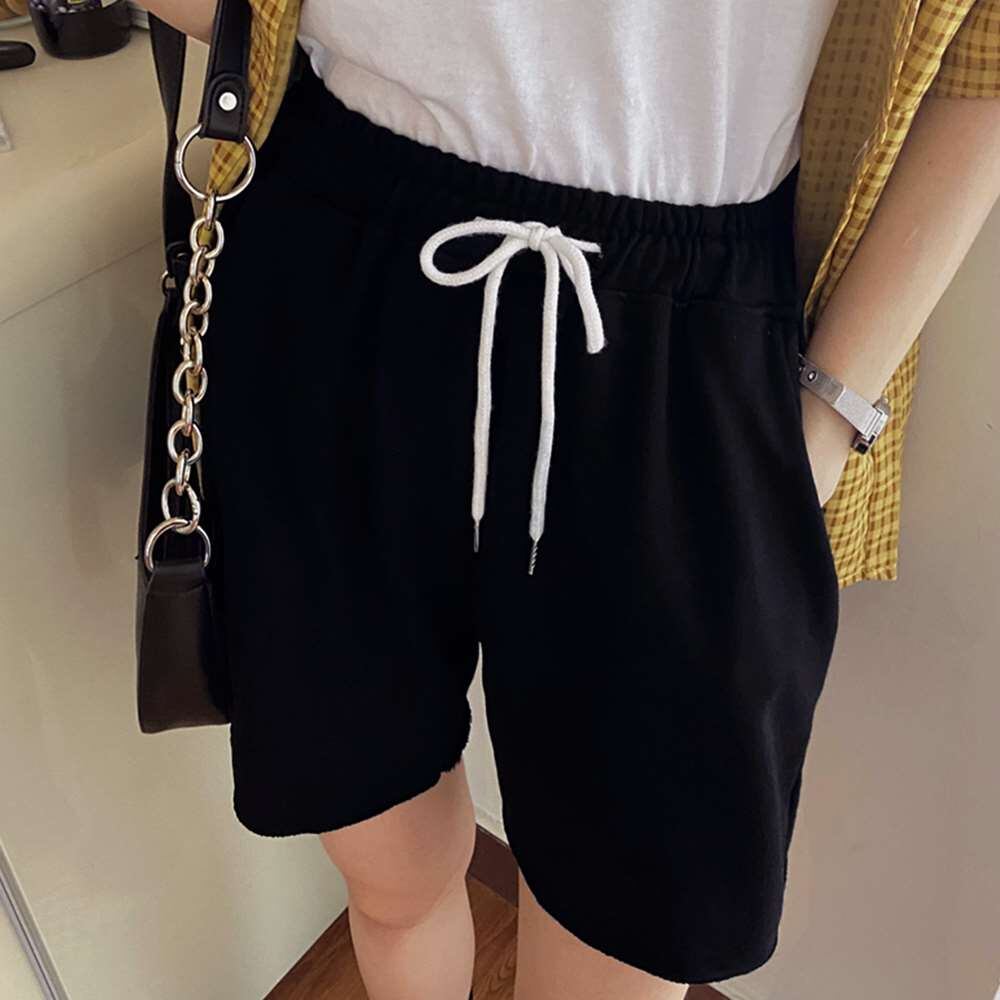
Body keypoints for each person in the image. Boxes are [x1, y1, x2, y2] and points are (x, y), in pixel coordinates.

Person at [142, 1, 1000, 997]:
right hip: (339, 252)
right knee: (385, 862)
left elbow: (983, 62)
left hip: (687, 340)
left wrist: (829, 414)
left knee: (629, 926)